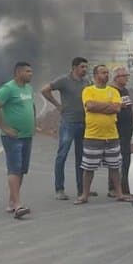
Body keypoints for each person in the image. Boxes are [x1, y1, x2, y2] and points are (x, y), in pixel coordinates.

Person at [0, 62, 36, 219]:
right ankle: (17, 205)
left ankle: (12, 201)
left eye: (31, 71)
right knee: (14, 169)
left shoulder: (28, 88)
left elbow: (31, 106)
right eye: (27, 71)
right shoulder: (8, 88)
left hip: (26, 135)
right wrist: (4, 128)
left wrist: (34, 123)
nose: (31, 74)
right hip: (13, 137)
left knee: (21, 169)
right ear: (18, 73)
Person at [76, 65, 128, 204]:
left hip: (112, 136)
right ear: (95, 75)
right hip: (92, 136)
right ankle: (84, 195)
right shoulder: (88, 90)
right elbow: (89, 106)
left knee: (115, 167)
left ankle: (119, 194)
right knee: (88, 168)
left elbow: (117, 108)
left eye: (107, 72)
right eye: (103, 72)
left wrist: (100, 107)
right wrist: (108, 106)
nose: (106, 75)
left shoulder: (113, 91)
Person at [41, 57, 90, 200]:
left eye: (86, 67)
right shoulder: (64, 80)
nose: (85, 70)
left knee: (82, 157)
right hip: (68, 123)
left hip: (83, 123)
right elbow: (45, 90)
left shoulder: (86, 82)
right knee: (62, 155)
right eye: (82, 67)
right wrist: (57, 105)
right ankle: (59, 189)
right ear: (74, 67)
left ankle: (82, 189)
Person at [111, 67, 133, 195]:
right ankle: (113, 187)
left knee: (126, 156)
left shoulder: (125, 91)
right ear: (116, 78)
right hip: (116, 128)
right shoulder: (112, 91)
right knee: (114, 157)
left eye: (127, 75)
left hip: (127, 128)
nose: (126, 78)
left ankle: (125, 185)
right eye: (124, 76)